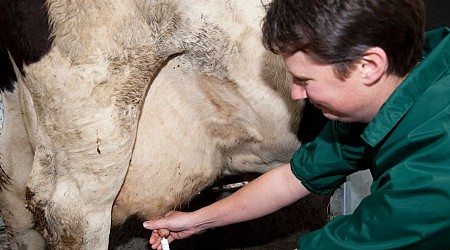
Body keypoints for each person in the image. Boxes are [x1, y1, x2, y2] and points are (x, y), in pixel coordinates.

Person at [143, 0, 450, 248]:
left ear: (368, 66)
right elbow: (293, 178)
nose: (295, 93)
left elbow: (359, 239)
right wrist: (198, 220)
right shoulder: (388, 91)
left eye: (305, 80)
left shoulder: (434, 164)